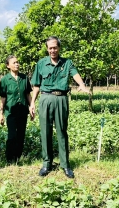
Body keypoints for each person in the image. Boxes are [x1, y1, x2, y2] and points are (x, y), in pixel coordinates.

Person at [30, 36, 89, 179]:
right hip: (45, 98)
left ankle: (65, 164)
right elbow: (36, 85)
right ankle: (46, 164)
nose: (52, 50)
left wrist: (81, 85)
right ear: (47, 49)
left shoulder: (67, 63)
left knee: (62, 131)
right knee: (45, 132)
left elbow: (75, 74)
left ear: (59, 48)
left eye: (55, 47)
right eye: (50, 48)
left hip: (61, 98)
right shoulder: (41, 63)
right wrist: (32, 102)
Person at [0, 55, 32, 164]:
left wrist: (31, 107)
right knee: (12, 136)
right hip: (11, 113)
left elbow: (28, 94)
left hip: (23, 112)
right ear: (8, 66)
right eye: (14, 63)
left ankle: (17, 158)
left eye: (17, 62)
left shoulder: (24, 78)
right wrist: (1, 114)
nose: (17, 64)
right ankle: (10, 159)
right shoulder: (4, 80)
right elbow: (3, 98)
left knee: (21, 135)